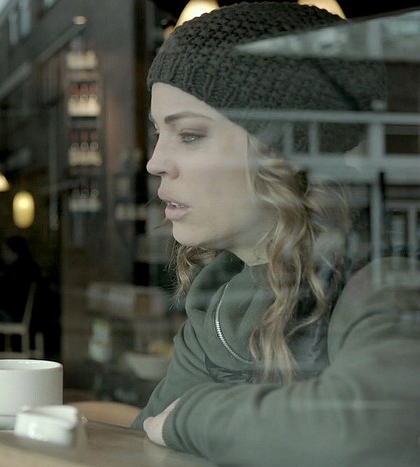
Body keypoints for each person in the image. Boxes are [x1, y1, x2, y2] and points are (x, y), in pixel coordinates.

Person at [74, 3, 420, 466]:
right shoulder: (220, 299)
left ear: (282, 150)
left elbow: (375, 429)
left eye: (189, 135)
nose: (155, 162)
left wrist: (192, 417)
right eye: (158, 133)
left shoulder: (386, 281)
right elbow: (146, 447)